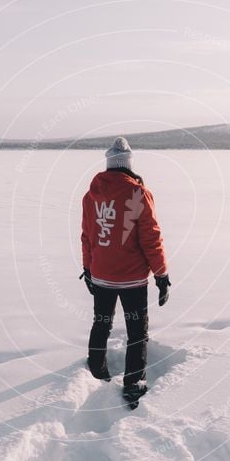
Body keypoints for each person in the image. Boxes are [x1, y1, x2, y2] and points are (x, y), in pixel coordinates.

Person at [79, 137, 171, 407]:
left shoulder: (90, 195)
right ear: (128, 165)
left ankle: (96, 370)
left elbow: (87, 236)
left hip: (102, 275)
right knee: (136, 331)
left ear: (109, 165)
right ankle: (133, 382)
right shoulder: (139, 194)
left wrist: (88, 268)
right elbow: (151, 238)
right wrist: (162, 275)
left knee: (101, 323)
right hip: (132, 279)